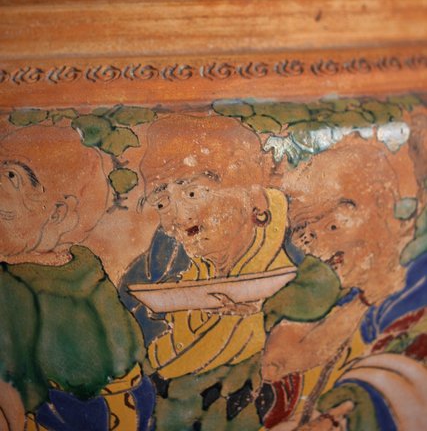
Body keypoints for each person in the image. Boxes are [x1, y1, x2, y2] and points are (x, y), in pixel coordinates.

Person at [121, 114, 342, 430]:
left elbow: (322, 290)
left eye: (192, 194)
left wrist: (262, 311)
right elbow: (129, 326)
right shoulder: (164, 258)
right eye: (162, 203)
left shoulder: (298, 237)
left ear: (250, 192)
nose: (176, 218)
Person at [261, 130, 427, 430]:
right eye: (306, 235)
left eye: (333, 226)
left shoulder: (416, 284)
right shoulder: (346, 300)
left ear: (382, 202)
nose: (318, 250)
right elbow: (279, 365)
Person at [0, 125, 150, 431]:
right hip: (136, 398)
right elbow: (132, 340)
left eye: (12, 176)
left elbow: (14, 387)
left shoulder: (12, 283)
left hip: (69, 410)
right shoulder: (84, 263)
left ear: (57, 213)